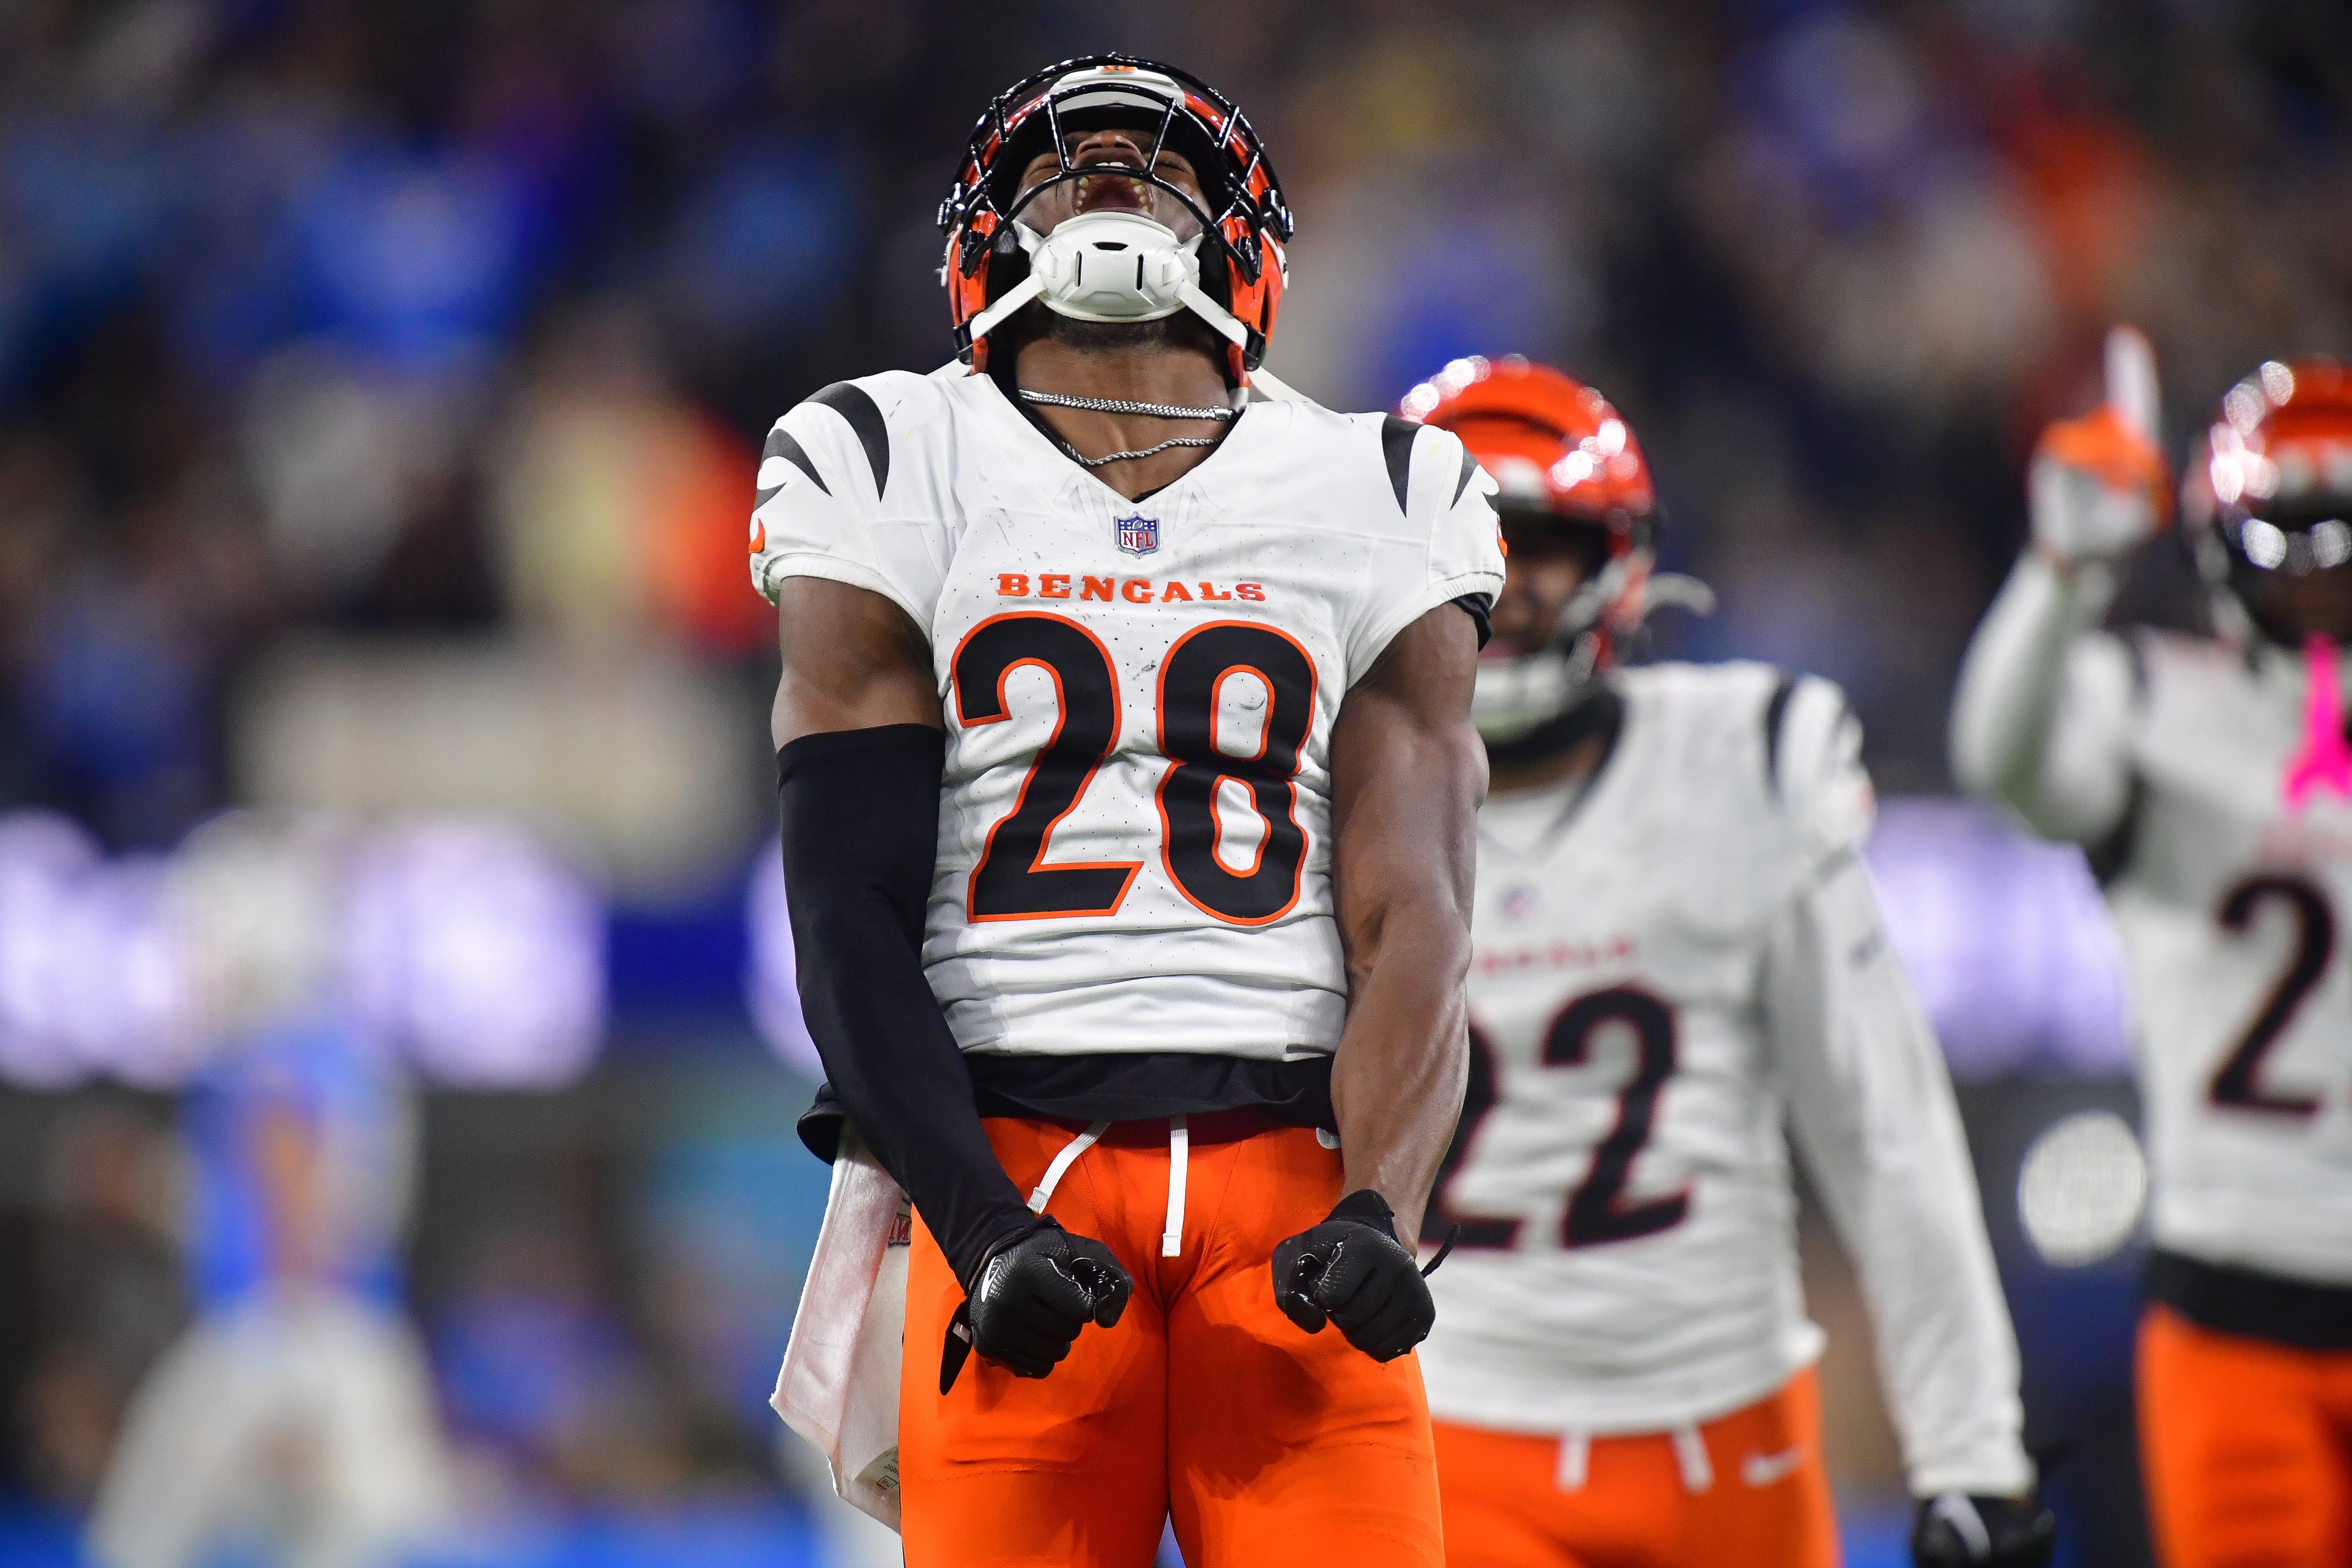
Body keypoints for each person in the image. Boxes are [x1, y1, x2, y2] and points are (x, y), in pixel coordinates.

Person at [754, 56, 1503, 1568]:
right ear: (983, 235)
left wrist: (1383, 1204)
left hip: (1294, 1184)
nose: (1108, 180)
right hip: (1017, 1172)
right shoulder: (892, 453)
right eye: (1066, 165)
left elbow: (1416, 910)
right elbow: (845, 917)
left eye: (1151, 165)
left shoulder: (1383, 484)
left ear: (1244, 238)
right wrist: (977, 1224)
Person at [1406, 357, 2055, 1567]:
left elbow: (1886, 1131)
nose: (1496, 584)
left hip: (1729, 1431)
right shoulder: (1324, 798)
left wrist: (1971, 1447)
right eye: (1460, 538)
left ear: (1618, 563)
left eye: (1534, 542)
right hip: (1454, 1423)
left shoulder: (1744, 763)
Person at [1951, 339, 2352, 1568]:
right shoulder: (2154, 696)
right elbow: (2003, 763)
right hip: (2236, 1281)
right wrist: (2063, 572)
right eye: (2298, 544)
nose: (2324, 588)